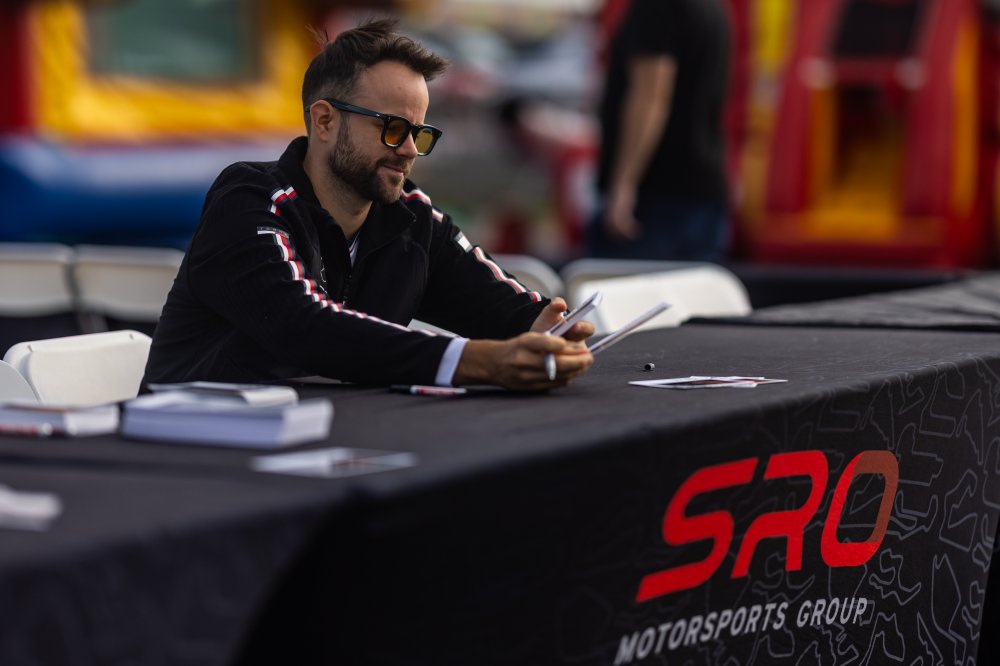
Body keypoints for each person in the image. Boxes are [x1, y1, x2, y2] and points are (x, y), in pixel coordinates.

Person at [143, 18, 593, 391]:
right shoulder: (248, 200)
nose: (410, 150)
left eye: (419, 133)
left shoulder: (411, 216)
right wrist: (476, 362)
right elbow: (306, 328)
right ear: (324, 120)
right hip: (189, 447)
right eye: (393, 128)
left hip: (330, 442)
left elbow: (503, 309)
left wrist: (548, 329)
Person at [588, 0, 731, 261]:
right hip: (701, 190)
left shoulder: (658, 5)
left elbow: (651, 96)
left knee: (619, 285)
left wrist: (624, 185)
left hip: (657, 196)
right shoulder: (712, 7)